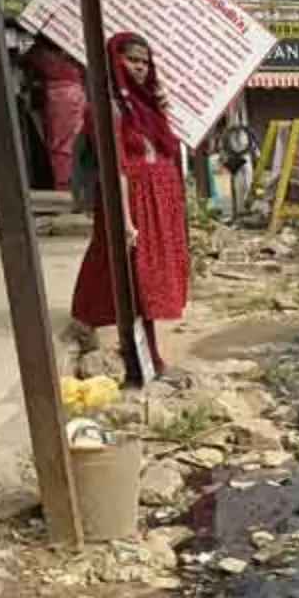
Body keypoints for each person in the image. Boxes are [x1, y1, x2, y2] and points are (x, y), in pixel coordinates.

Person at [70, 32, 190, 373]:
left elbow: (164, 149)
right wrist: (125, 219)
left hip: (160, 202)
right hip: (133, 201)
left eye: (145, 62)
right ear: (114, 62)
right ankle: (144, 355)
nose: (140, 68)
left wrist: (161, 109)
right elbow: (117, 168)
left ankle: (97, 327)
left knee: (142, 276)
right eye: (132, 60)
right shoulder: (104, 109)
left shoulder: (146, 106)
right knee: (136, 278)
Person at [23, 36, 86, 193]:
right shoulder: (71, 50)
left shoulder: (40, 53)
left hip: (60, 98)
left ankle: (64, 183)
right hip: (72, 95)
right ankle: (70, 182)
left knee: (60, 145)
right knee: (69, 142)